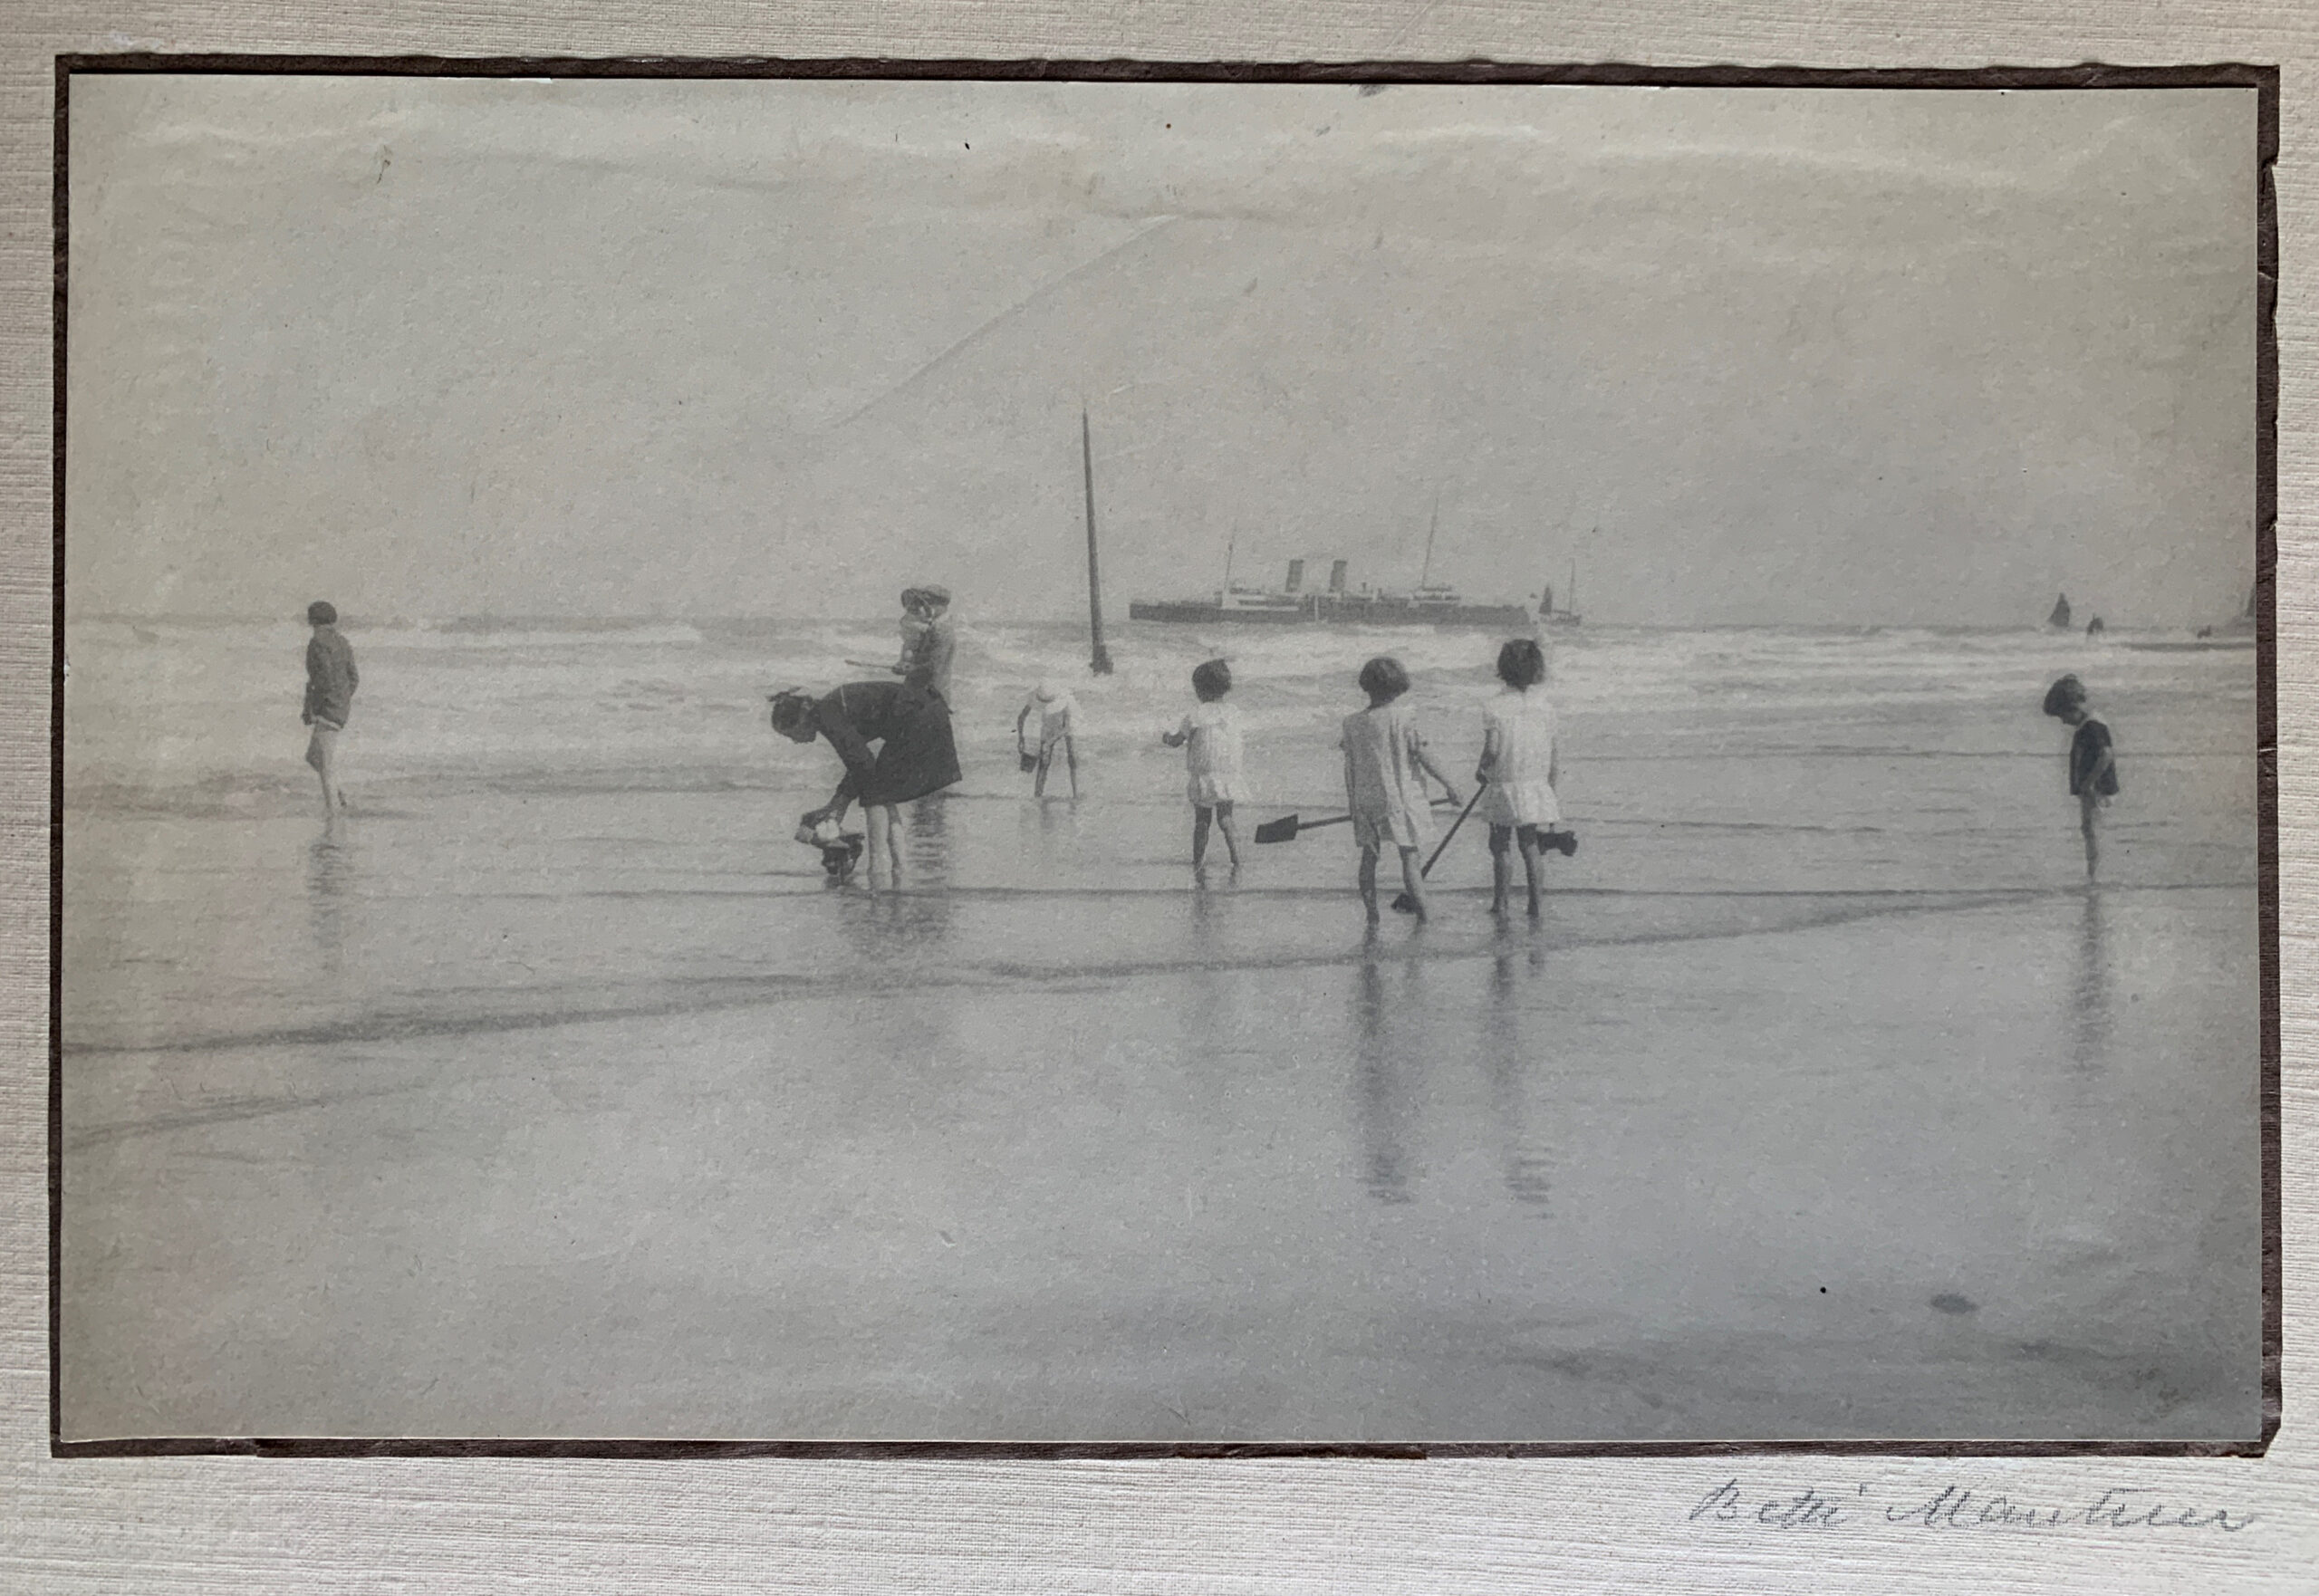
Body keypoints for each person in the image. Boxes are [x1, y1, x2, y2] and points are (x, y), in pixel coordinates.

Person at [770, 677, 961, 889]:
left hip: (917, 718)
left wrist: (838, 806)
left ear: (802, 718)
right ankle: (899, 868)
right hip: (928, 712)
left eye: (792, 734)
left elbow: (861, 763)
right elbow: (858, 761)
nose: (796, 741)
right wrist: (837, 804)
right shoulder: (828, 710)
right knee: (883, 794)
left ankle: (878, 868)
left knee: (875, 794)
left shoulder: (827, 715)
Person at [1341, 656, 1458, 925]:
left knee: (1369, 857)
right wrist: (1450, 785)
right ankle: (1425, 916)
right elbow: (1423, 756)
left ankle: (1372, 916)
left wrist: (1353, 804)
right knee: (1410, 857)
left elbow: (1349, 767)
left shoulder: (1351, 723)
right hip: (1399, 797)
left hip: (1366, 798)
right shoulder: (1403, 717)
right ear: (1398, 686)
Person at [1475, 638, 1562, 919]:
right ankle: (1536, 904)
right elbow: (1553, 753)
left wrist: (1481, 770)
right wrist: (1551, 787)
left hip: (1505, 784)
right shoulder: (1546, 707)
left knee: (1500, 845)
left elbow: (1492, 750)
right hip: (1535, 785)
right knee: (1530, 845)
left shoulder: (1495, 706)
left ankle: (1501, 904)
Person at [1161, 659, 1246, 870]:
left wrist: (1166, 738)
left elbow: (1177, 740)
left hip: (1205, 775)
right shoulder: (1234, 712)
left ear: (1199, 689)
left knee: (1202, 820)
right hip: (1228, 773)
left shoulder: (1196, 714)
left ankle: (1198, 862)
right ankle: (1237, 859)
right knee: (1226, 818)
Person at [2043, 674, 2118, 881]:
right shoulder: (2086, 725)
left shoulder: (2092, 725)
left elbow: (2106, 754)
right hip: (2091, 788)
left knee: (2092, 830)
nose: (2064, 721)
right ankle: (2093, 872)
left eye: (2063, 716)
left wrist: (2088, 783)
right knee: (2088, 829)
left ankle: (2095, 875)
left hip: (2097, 788)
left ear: (2073, 706)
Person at [300, 600, 358, 820]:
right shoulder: (342, 641)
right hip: (340, 706)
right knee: (313, 757)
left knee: (324, 762)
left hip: (327, 708)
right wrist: (342, 698)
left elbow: (318, 678)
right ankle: (339, 796)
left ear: (312, 620)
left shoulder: (317, 642)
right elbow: (354, 677)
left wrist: (312, 708)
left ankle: (333, 813)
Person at [891, 585, 957, 701]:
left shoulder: (942, 629)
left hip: (933, 695)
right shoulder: (931, 626)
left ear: (941, 605)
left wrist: (910, 667)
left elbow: (935, 665)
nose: (923, 607)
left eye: (928, 602)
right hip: (923, 692)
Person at [1016, 679, 1080, 799]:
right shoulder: (1037, 697)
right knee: (1044, 759)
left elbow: (1066, 728)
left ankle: (1076, 794)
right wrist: (1021, 739)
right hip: (1049, 720)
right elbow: (1021, 717)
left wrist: (1050, 742)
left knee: (1072, 757)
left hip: (1069, 724)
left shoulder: (1066, 701)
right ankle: (1038, 795)